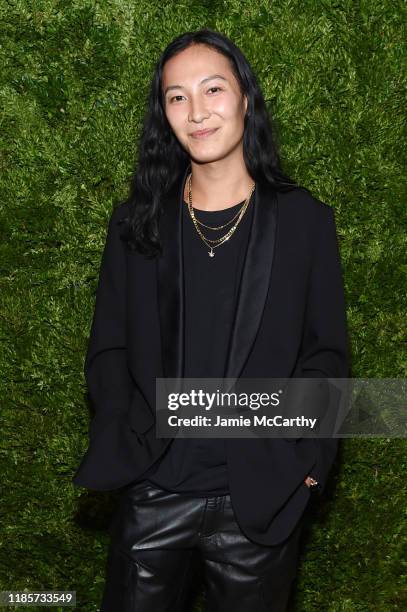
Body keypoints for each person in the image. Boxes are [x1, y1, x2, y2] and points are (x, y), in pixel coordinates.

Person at [73, 28, 349, 611]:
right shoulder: (136, 225)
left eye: (212, 89)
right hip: (152, 491)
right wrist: (123, 431)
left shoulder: (306, 223)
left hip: (261, 502)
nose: (196, 111)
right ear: (164, 115)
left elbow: (325, 357)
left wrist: (307, 466)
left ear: (245, 98)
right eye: (176, 96)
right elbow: (109, 350)